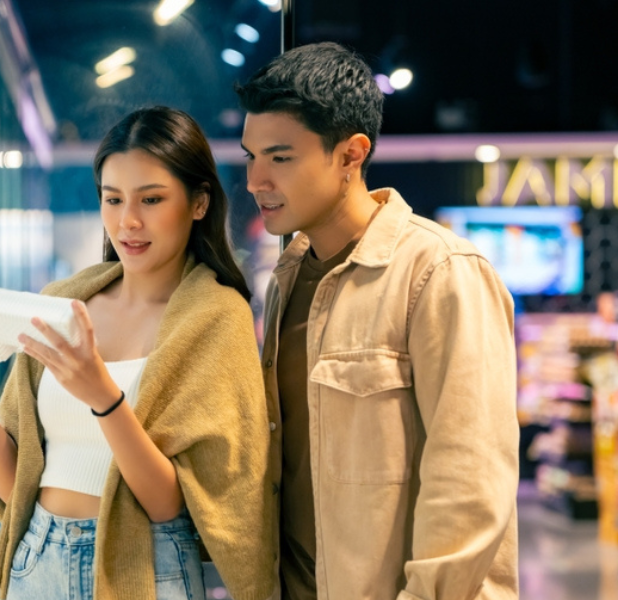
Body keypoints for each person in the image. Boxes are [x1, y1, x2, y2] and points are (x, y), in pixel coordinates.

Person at [0, 106, 277, 600]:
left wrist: (103, 396)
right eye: (113, 199)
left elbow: (169, 505)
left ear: (198, 203)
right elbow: (14, 485)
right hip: (36, 560)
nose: (128, 221)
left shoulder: (216, 317)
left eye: (152, 199)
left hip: (147, 569)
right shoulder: (61, 304)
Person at [236, 42, 519, 599]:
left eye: (280, 158)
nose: (255, 180)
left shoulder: (439, 271)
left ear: (350, 155)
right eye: (250, 157)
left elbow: (471, 481)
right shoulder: (288, 275)